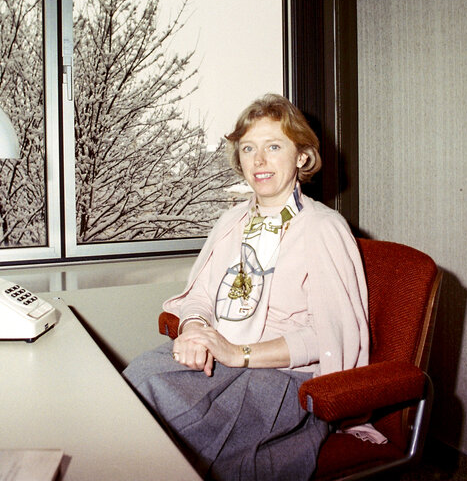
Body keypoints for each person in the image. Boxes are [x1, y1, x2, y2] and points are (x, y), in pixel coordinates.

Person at [123, 94, 380, 480]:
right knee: (135, 384)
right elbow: (201, 296)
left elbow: (329, 337)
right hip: (222, 356)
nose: (259, 161)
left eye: (273, 146)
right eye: (249, 149)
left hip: (281, 378)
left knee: (172, 429)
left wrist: (236, 352)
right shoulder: (231, 220)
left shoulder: (323, 228)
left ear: (302, 157)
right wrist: (195, 328)